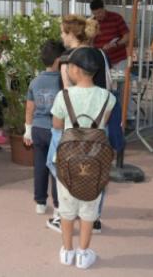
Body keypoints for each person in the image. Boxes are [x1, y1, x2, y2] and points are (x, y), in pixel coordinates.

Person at [50, 47, 116, 269]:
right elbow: (102, 124)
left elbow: (57, 125)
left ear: (75, 70)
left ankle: (67, 252)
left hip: (67, 160)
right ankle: (83, 254)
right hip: (96, 161)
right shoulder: (108, 97)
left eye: (68, 66)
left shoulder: (63, 96)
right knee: (89, 209)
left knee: (67, 209)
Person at [59, 14, 108, 234]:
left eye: (62, 31)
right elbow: (109, 85)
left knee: (65, 165)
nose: (61, 36)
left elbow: (67, 94)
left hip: (75, 125)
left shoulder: (70, 59)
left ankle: (67, 215)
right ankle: (93, 217)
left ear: (71, 33)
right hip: (99, 121)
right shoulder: (100, 54)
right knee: (98, 166)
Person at [24, 40, 64, 231]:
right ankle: (58, 205)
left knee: (40, 166)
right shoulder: (62, 81)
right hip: (55, 130)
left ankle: (40, 202)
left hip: (38, 129)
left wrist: (27, 129)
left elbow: (29, 107)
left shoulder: (35, 81)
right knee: (56, 168)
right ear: (59, 60)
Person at [90, 0, 130, 72]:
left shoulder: (116, 18)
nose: (98, 15)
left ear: (104, 8)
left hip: (119, 60)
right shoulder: (92, 22)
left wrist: (115, 44)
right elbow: (90, 42)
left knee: (121, 82)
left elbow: (127, 37)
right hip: (102, 60)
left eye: (99, 12)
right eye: (95, 13)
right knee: (104, 82)